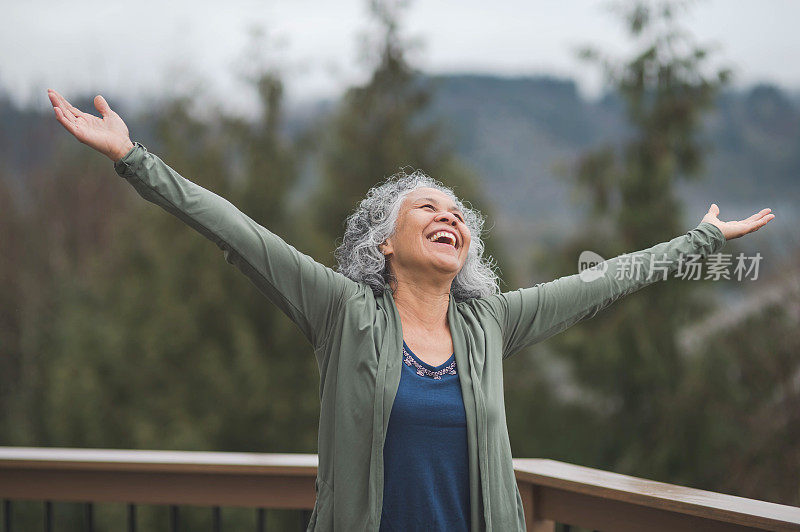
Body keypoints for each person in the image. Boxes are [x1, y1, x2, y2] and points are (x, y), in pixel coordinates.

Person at [47, 89, 774, 531]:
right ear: (386, 244)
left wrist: (700, 239)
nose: (450, 216)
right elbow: (237, 229)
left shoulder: (490, 323)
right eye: (428, 207)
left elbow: (604, 282)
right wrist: (133, 158)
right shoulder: (340, 311)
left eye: (459, 214)